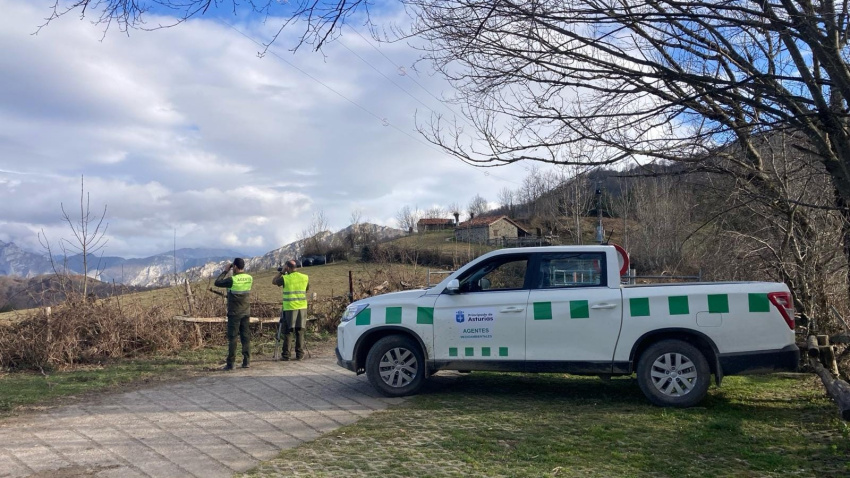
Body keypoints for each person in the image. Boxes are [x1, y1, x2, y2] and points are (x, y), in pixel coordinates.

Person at [214, 258, 253, 370]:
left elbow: (217, 282)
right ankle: (246, 361)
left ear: (235, 267)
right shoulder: (250, 278)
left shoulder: (232, 280)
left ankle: (231, 363)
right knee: (245, 337)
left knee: (233, 338)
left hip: (234, 313)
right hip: (246, 312)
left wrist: (226, 270)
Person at [273, 259, 309, 361]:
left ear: (287, 267)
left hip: (290, 308)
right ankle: (300, 354)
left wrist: (281, 272)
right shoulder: (305, 277)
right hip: (302, 307)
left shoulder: (285, 278)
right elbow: (306, 289)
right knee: (300, 331)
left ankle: (286, 355)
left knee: (288, 331)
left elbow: (274, 281)